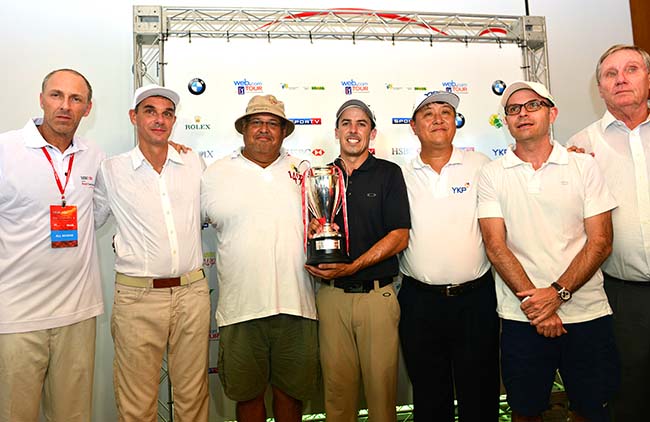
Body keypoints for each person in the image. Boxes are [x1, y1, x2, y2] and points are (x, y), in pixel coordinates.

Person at [478, 80, 619, 422]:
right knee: (526, 413)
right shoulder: (492, 173)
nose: (522, 113)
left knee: (590, 410)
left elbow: (600, 241)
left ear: (552, 112)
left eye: (533, 105)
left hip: (586, 314)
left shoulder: (584, 166)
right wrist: (538, 307)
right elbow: (496, 247)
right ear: (506, 122)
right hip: (520, 316)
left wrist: (556, 295)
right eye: (513, 109)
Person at [94, 85, 210, 422]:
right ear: (134, 117)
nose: (159, 119)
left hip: (192, 294)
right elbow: (90, 220)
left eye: (167, 113)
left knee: (193, 395)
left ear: (174, 121)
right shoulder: (110, 170)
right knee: (137, 402)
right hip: (137, 297)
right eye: (150, 111)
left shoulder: (193, 162)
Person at [201, 95, 319, 422]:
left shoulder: (305, 171)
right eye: (257, 123)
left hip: (297, 305)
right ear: (244, 129)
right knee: (247, 397)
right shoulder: (215, 173)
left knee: (291, 397)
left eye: (272, 124)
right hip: (241, 309)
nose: (264, 130)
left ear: (284, 132)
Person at [0, 69, 103, 422]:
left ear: (87, 109)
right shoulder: (5, 149)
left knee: (73, 416)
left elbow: (98, 213)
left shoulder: (93, 155)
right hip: (15, 318)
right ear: (41, 99)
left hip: (77, 313)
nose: (65, 106)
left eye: (76, 99)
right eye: (56, 95)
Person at [305, 99, 411, 422]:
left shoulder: (389, 174)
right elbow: (306, 227)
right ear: (336, 131)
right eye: (346, 123)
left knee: (382, 398)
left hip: (377, 298)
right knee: (337, 399)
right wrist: (310, 231)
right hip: (331, 298)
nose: (353, 130)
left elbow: (399, 237)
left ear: (372, 132)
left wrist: (354, 266)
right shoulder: (318, 176)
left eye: (361, 123)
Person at [398, 91, 499, 421]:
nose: (438, 118)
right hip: (419, 303)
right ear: (413, 126)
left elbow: (523, 174)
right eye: (428, 114)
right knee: (429, 395)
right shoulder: (399, 175)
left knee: (480, 393)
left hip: (475, 301)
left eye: (446, 112)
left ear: (456, 123)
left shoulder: (481, 164)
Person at [568, 44, 650, 421]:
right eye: (610, 74)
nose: (620, 79)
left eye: (631, 69)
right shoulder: (580, 147)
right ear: (599, 89)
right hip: (623, 294)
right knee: (628, 393)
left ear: (648, 78)